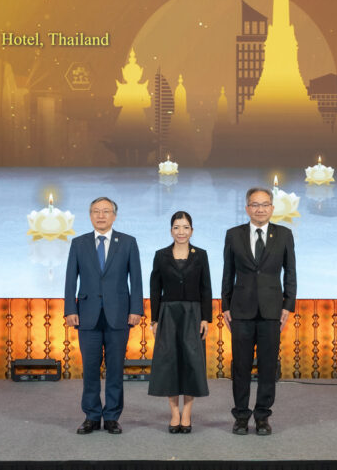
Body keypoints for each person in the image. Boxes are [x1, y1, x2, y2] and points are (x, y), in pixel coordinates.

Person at [64, 196, 143, 435]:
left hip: (119, 314)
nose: (101, 215)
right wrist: (70, 309)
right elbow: (70, 279)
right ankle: (91, 415)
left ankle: (111, 417)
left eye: (106, 211)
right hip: (86, 315)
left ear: (114, 216)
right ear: (90, 216)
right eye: (96, 211)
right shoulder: (79, 243)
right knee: (90, 368)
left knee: (115, 368)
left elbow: (136, 279)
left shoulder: (128, 242)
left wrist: (136, 309)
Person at [221, 186, 296, 436]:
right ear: (247, 208)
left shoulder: (284, 234)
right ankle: (241, 416)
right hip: (240, 310)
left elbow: (291, 272)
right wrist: (225, 306)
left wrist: (288, 305)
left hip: (272, 310)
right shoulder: (233, 235)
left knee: (267, 366)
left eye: (265, 204)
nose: (260, 209)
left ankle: (263, 416)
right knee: (241, 367)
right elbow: (227, 273)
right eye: (255, 204)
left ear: (272, 208)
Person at [148, 211, 212, 433]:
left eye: (185, 227)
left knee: (192, 363)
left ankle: (187, 413)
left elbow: (206, 288)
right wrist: (154, 319)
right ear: (171, 231)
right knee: (170, 363)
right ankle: (175, 413)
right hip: (168, 314)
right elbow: (155, 289)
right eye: (176, 227)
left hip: (193, 314)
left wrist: (206, 318)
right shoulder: (161, 255)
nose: (181, 232)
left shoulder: (201, 255)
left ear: (192, 231)